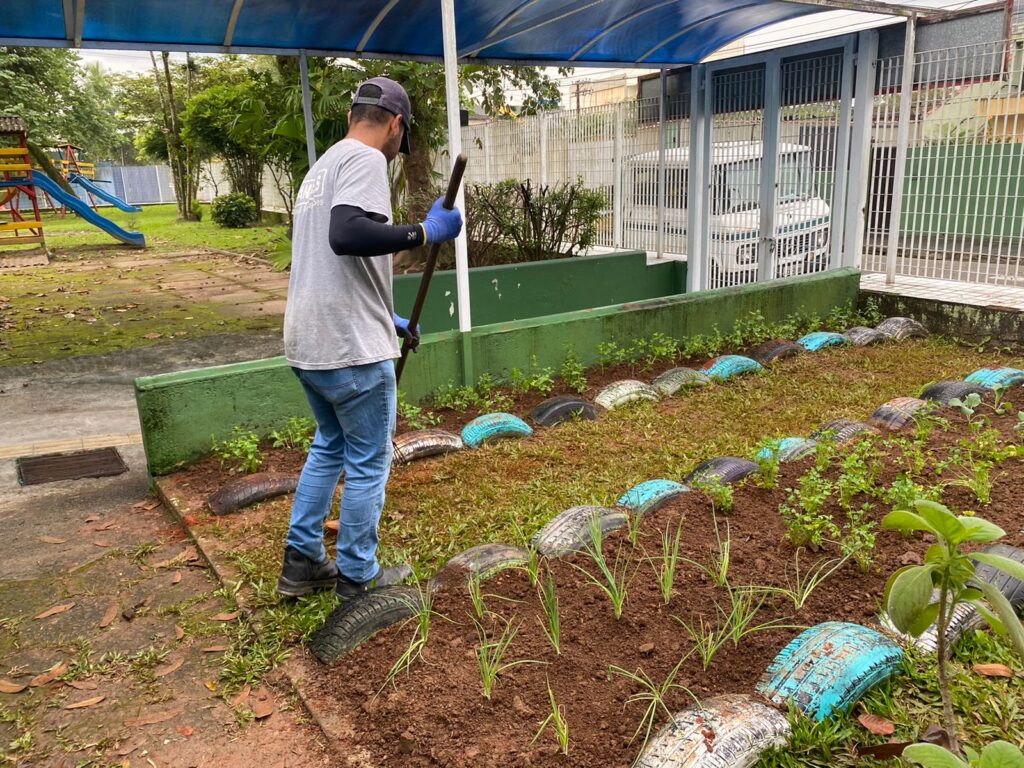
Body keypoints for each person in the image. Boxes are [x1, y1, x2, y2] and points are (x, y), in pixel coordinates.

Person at [277, 76, 463, 600]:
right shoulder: (365, 159)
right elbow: (348, 235)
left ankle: (303, 563)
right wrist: (424, 232)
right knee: (367, 460)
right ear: (396, 125)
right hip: (349, 347)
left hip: (311, 339)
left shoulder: (322, 167)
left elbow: (332, 261)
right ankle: (359, 576)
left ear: (352, 115)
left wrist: (389, 316)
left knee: (330, 445)